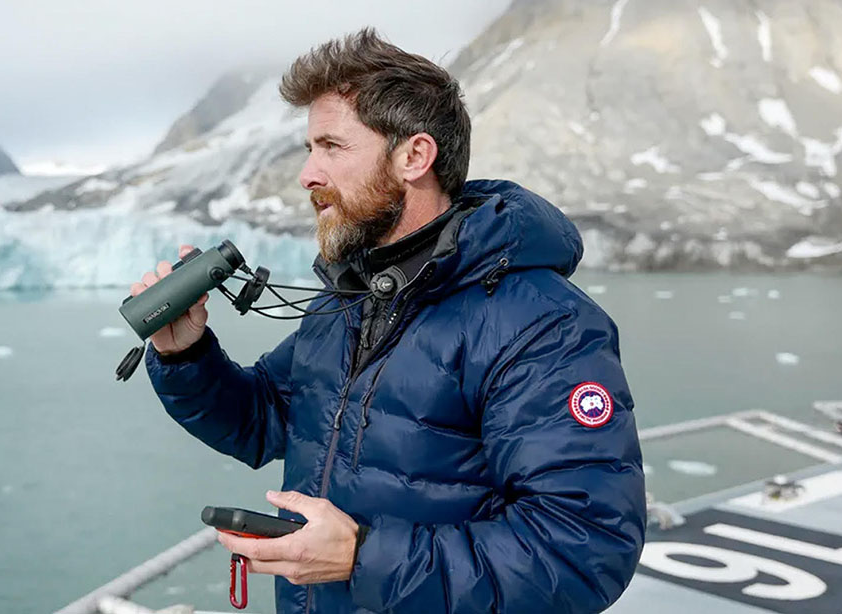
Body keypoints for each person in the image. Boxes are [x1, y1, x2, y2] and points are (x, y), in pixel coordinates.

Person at [130, 28, 646, 614]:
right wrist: (186, 354)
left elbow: (582, 551)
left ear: (414, 157)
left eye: (332, 146)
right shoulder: (350, 301)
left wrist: (362, 556)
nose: (308, 174)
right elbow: (264, 419)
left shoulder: (542, 325)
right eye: (309, 149)